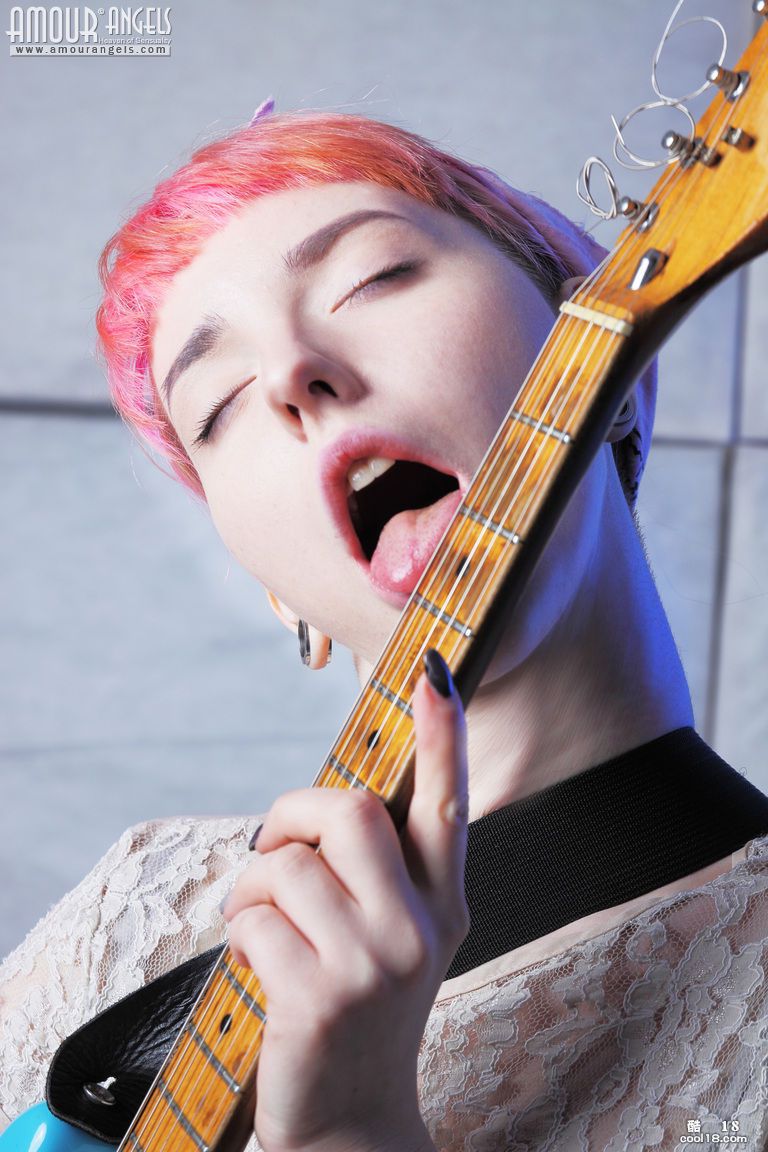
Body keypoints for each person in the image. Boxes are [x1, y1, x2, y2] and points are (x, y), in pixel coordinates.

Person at [1, 106, 767, 1152]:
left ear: (610, 367)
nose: (291, 375)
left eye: (374, 278)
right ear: (278, 595)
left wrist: (349, 1132)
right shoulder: (129, 921)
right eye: (218, 404)